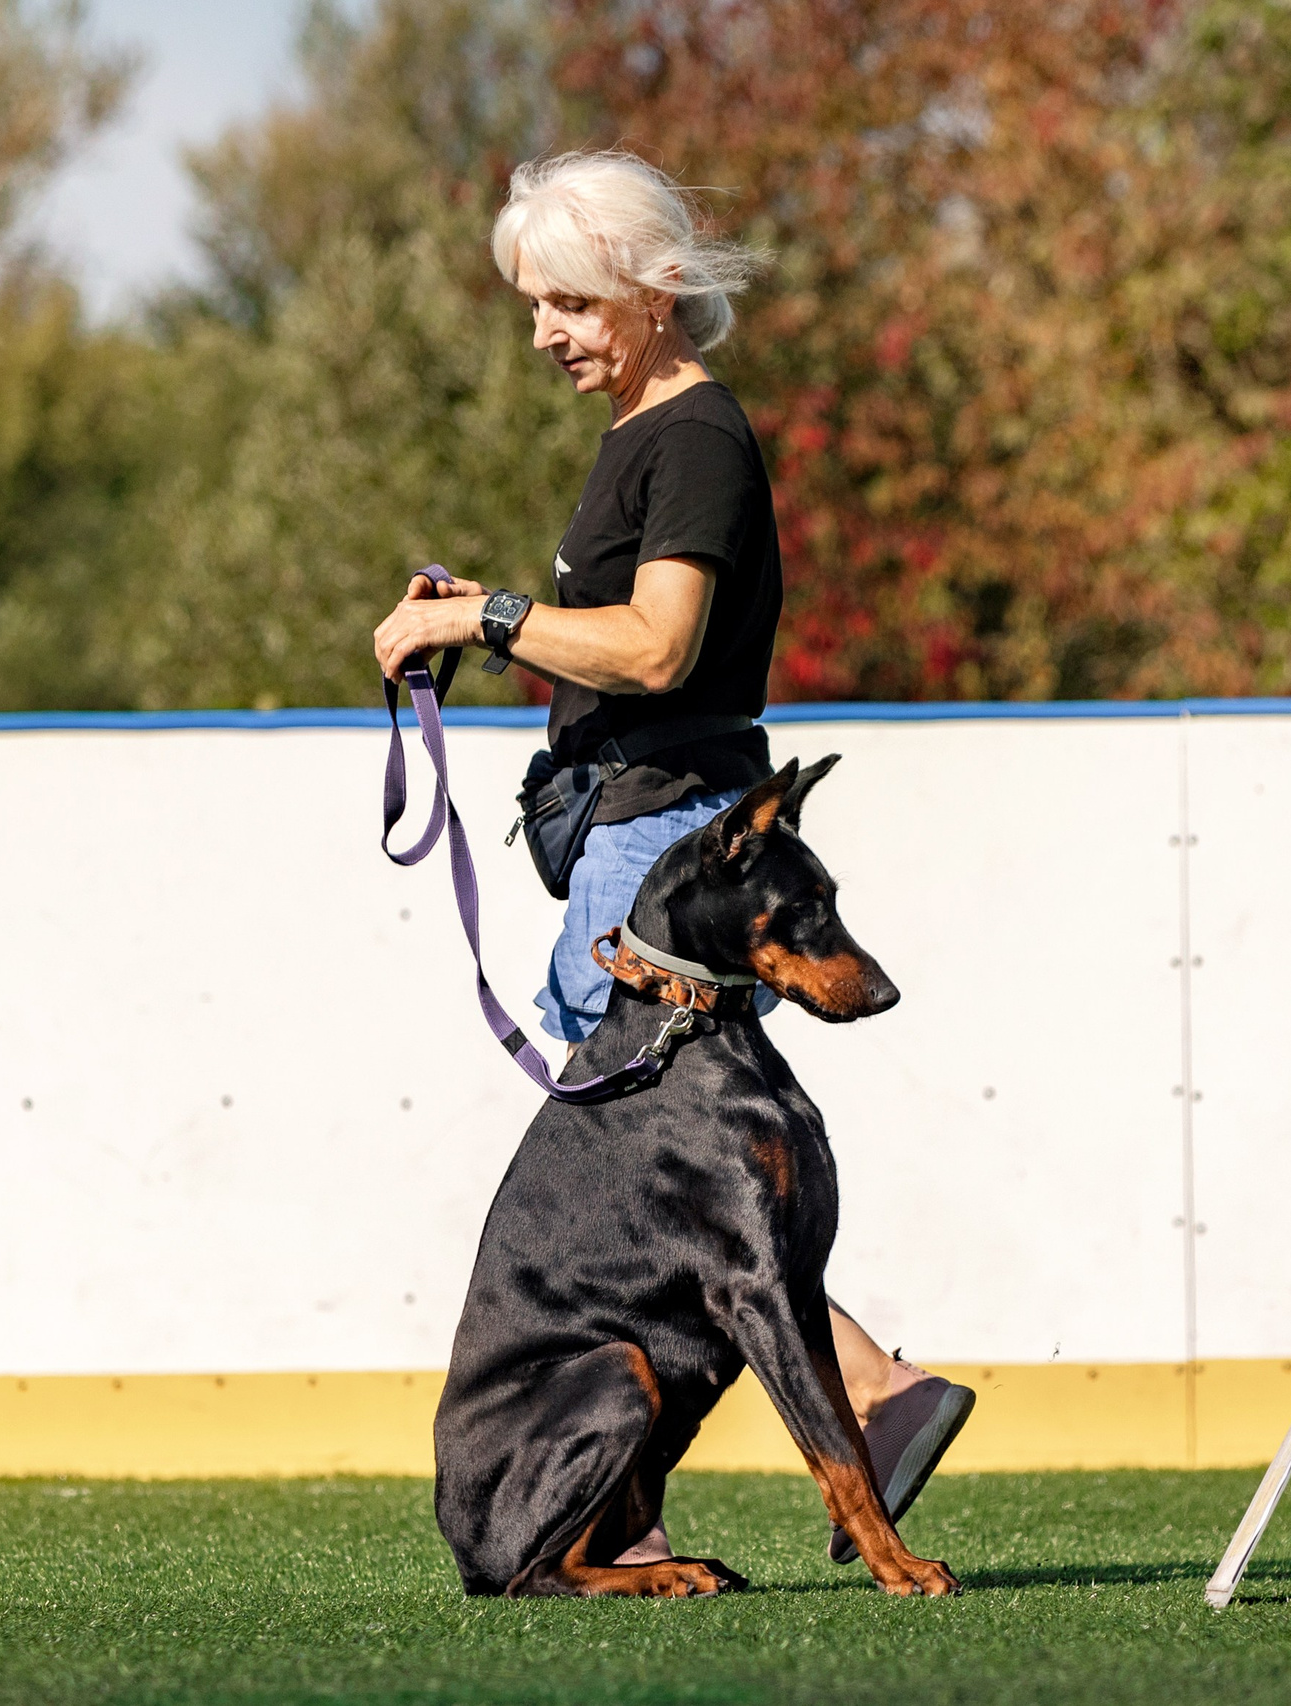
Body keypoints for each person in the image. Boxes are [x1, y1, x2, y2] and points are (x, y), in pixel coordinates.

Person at [372, 149, 972, 1567]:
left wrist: (489, 620)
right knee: (678, 1172)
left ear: (650, 294)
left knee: (661, 1166)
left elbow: (658, 647)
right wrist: (492, 612)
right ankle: (785, 1431)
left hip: (662, 841)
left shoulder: (693, 438)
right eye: (537, 306)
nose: (545, 335)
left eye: (571, 303)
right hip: (639, 821)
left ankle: (861, 1395)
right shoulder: (646, 436)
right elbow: (620, 652)